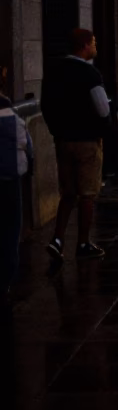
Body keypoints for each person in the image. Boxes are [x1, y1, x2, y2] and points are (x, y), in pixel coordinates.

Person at [42, 29, 110, 261]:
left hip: (63, 140)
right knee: (87, 194)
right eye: (93, 43)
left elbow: (45, 104)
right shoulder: (90, 73)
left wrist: (56, 130)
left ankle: (58, 239)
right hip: (87, 141)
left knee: (68, 193)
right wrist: (103, 128)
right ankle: (82, 242)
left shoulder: (53, 71)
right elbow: (103, 109)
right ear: (84, 45)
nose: (95, 46)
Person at [0, 75, 32, 297]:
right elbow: (28, 149)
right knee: (11, 230)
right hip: (10, 181)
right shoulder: (13, 117)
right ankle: (5, 281)